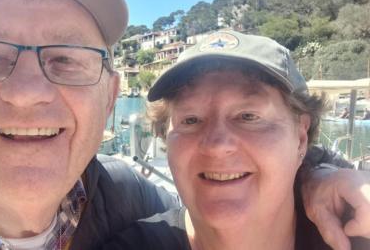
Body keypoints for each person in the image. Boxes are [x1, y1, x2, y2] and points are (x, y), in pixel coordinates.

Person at [0, 0, 368, 250]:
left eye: (65, 59)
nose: (27, 93)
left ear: (111, 95)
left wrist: (318, 177)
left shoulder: (120, 199)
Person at [102, 31, 370, 250]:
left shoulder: (356, 234)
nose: (217, 145)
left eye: (248, 116)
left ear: (301, 138)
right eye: (191, 120)